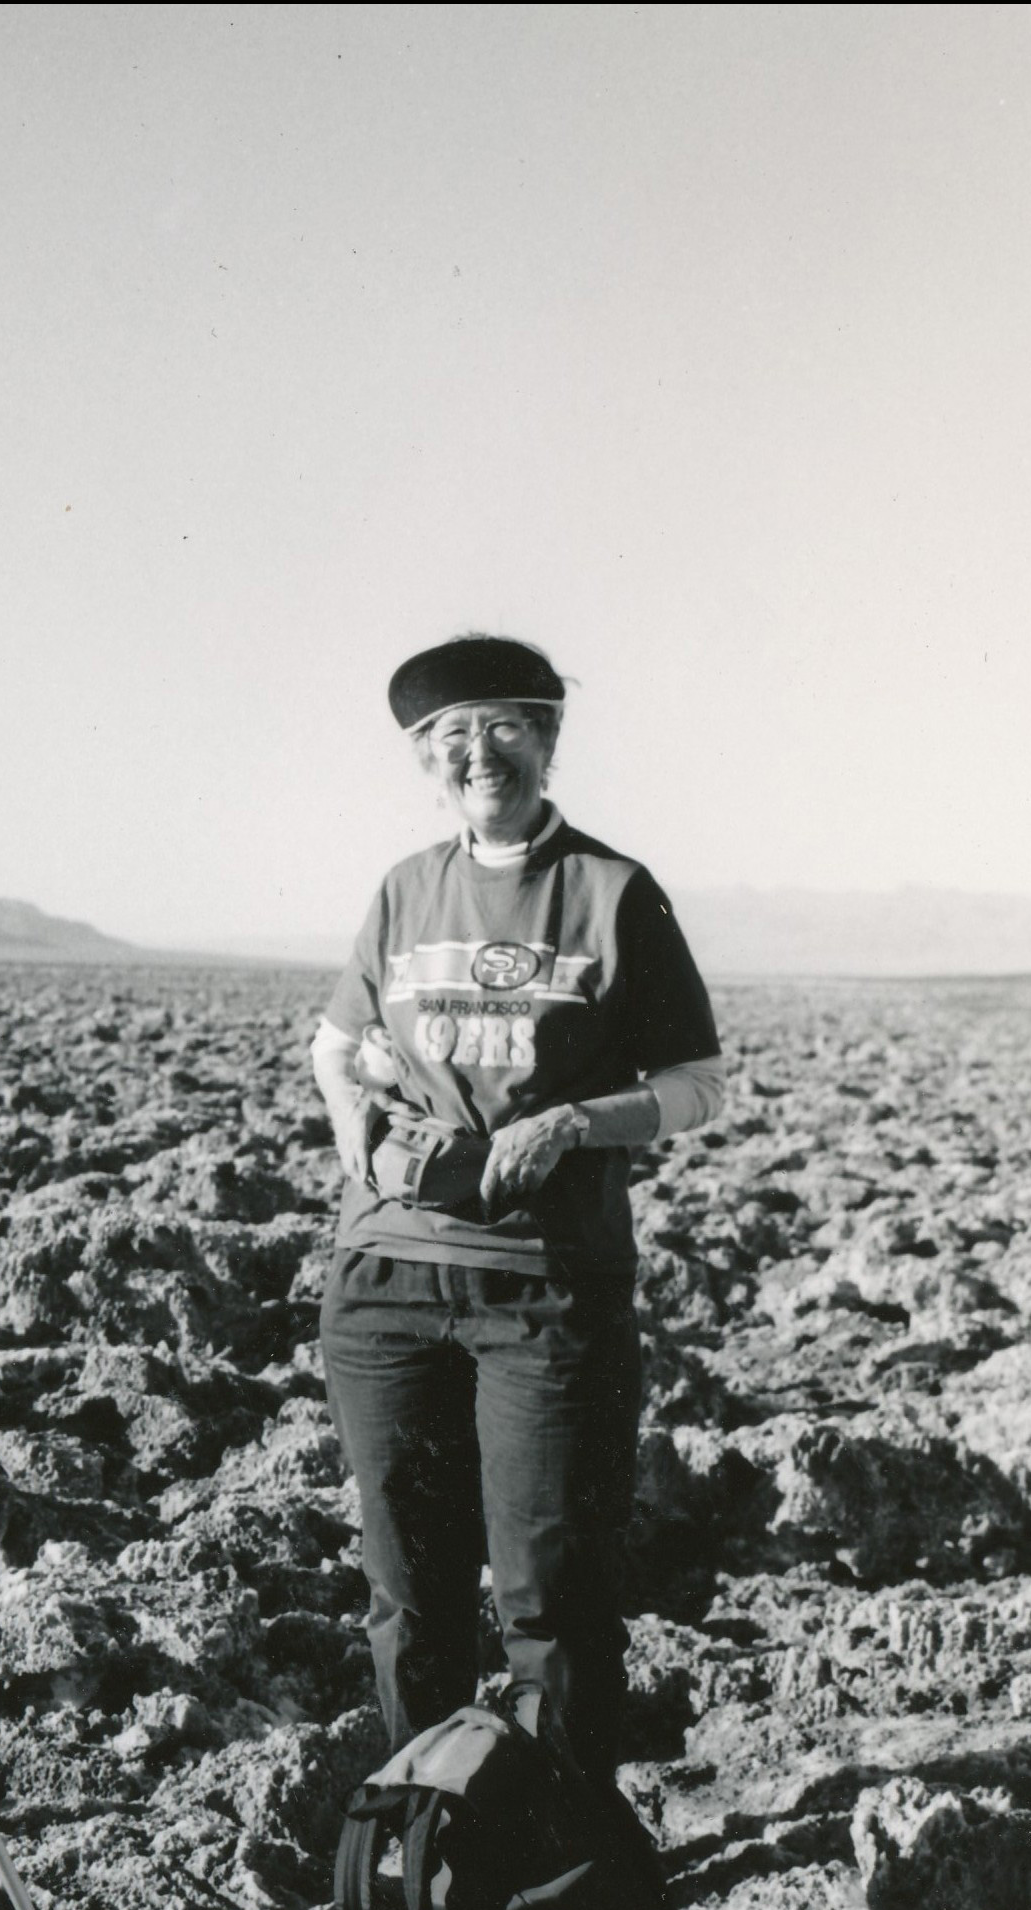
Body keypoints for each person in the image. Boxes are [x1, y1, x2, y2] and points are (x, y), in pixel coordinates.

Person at [311, 634, 730, 1788]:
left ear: (547, 740)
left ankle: (566, 1855)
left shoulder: (613, 892)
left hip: (546, 1289)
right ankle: (425, 1846)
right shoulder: (404, 889)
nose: (477, 755)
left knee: (550, 1590)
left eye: (503, 728)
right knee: (408, 1594)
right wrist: (351, 1108)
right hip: (384, 1284)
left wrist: (570, 1124)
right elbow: (332, 1043)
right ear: (422, 762)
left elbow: (698, 1085)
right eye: (449, 739)